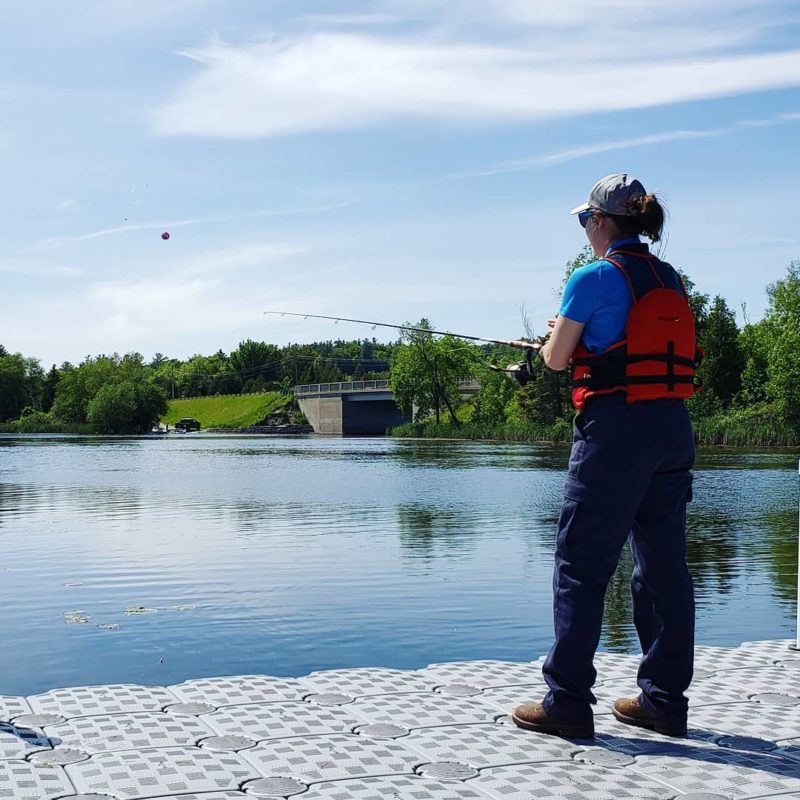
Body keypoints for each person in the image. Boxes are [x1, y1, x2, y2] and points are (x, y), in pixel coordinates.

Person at [511, 174, 698, 739]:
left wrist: (550, 341)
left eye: (585, 221)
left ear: (601, 221)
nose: (585, 231)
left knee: (580, 564)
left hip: (616, 429)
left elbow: (555, 359)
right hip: (672, 427)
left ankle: (567, 703)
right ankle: (663, 702)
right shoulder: (669, 278)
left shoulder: (593, 276)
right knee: (662, 568)